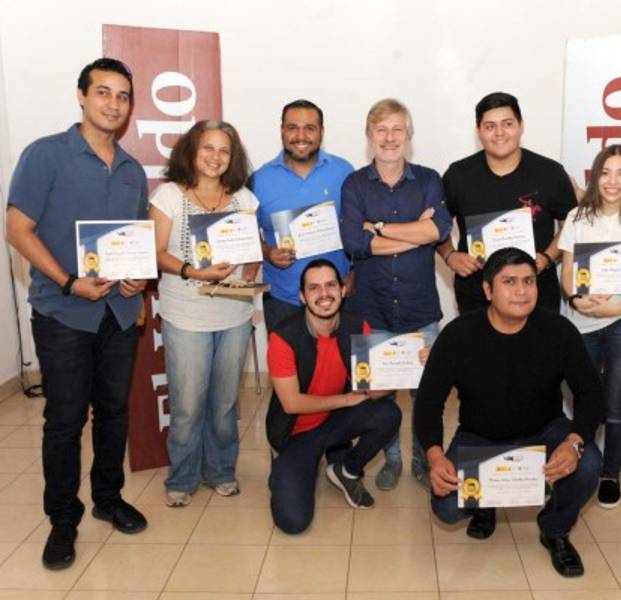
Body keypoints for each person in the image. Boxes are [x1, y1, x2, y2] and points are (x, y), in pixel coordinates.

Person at [6, 58, 148, 570]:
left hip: (118, 311)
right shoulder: (45, 155)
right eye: (104, 92)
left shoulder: (133, 171)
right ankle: (63, 518)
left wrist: (138, 277)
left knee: (114, 412)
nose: (114, 103)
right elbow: (17, 229)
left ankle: (108, 498)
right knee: (64, 421)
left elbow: (135, 243)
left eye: (123, 95)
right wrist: (68, 281)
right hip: (63, 311)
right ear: (82, 97)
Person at [414, 248, 604, 578]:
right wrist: (434, 456)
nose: (521, 291)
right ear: (488, 290)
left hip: (544, 430)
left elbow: (591, 395)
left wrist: (573, 442)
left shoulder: (559, 331)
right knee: (445, 507)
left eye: (529, 281)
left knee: (588, 463)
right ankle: (484, 503)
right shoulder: (458, 335)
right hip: (480, 437)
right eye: (510, 282)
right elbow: (428, 402)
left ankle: (555, 530)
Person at [339, 98, 452, 490]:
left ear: (409, 136)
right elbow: (354, 242)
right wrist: (411, 232)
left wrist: (381, 228)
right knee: (380, 395)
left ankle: (423, 458)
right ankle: (392, 459)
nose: (390, 138)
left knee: (427, 395)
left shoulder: (428, 180)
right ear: (370, 137)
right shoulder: (354, 184)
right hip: (371, 309)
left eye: (397, 129)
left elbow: (437, 231)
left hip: (421, 310)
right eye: (381, 130)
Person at [149, 120, 260, 507]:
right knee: (188, 402)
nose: (215, 157)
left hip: (234, 314)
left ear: (233, 158)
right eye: (207, 149)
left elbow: (250, 251)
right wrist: (195, 272)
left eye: (224, 151)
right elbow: (156, 251)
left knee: (226, 402)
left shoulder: (244, 198)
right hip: (186, 314)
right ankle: (181, 478)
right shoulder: (168, 196)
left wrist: (251, 267)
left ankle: (221, 471)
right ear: (191, 152)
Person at [558, 144, 621, 509]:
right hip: (581, 322)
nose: (612, 181)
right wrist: (576, 300)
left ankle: (609, 474)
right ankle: (578, 466)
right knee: (584, 401)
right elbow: (567, 272)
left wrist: (615, 307)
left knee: (616, 404)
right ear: (594, 175)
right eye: (605, 172)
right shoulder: (577, 217)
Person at [266, 259, 401, 533]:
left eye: (330, 285)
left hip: (335, 424)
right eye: (314, 288)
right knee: (292, 522)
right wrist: (346, 400)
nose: (324, 294)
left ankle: (346, 470)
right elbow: (291, 403)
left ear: (343, 289)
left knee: (389, 413)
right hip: (296, 434)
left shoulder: (357, 326)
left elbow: (375, 388)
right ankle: (292, 465)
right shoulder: (282, 337)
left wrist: (408, 368)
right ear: (302, 297)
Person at [437, 91, 577, 314]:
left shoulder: (550, 172)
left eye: (508, 124)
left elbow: (572, 224)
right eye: (490, 126)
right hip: (477, 298)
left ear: (521, 126)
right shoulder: (458, 175)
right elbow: (435, 226)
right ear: (479, 132)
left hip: (536, 296)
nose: (499, 133)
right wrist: (449, 255)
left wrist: (548, 257)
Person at [251, 100, 354, 332]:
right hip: (282, 299)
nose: (301, 136)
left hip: (336, 297)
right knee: (286, 368)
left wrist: (355, 274)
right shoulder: (260, 179)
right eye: (292, 127)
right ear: (281, 131)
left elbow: (360, 227)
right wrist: (267, 252)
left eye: (310, 128)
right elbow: (247, 236)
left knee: (340, 368)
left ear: (321, 132)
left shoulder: (344, 172)